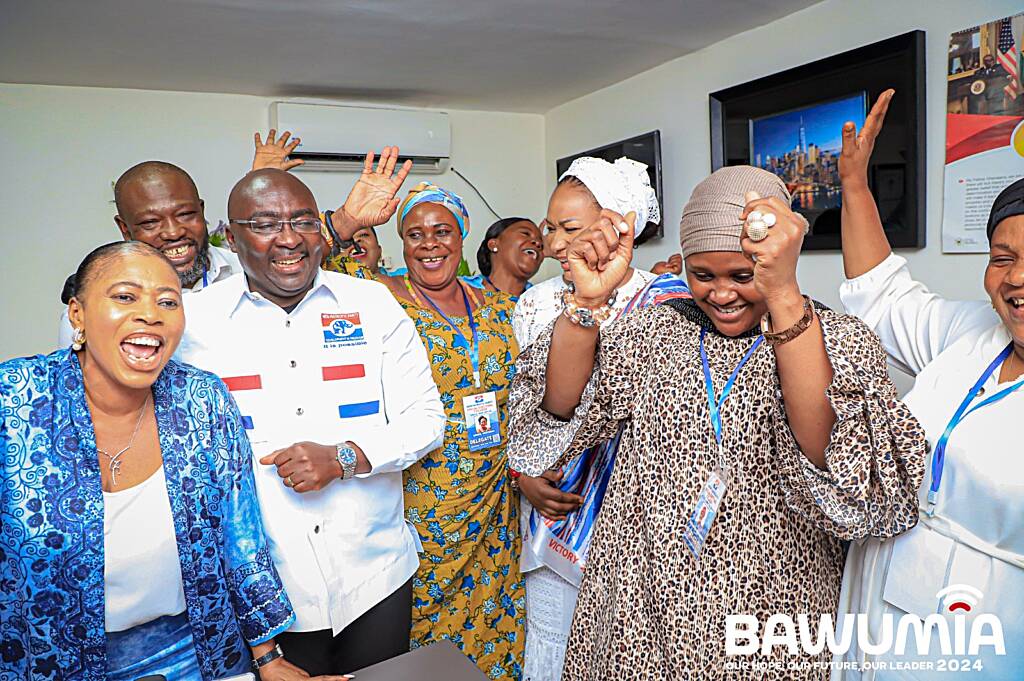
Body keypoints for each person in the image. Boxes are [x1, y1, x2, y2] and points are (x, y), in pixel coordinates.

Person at [507, 165, 927, 678]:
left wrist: (783, 296)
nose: (721, 294)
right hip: (642, 606)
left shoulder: (833, 337)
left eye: (742, 276)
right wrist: (589, 301)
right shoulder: (660, 329)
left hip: (767, 610)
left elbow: (832, 465)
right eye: (703, 275)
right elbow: (561, 409)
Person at [0, 242, 343, 681]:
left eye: (168, 301)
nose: (150, 314)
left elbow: (241, 543)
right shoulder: (14, 402)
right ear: (78, 315)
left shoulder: (203, 400)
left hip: (197, 655)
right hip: (47, 664)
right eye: (125, 297)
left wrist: (267, 659)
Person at [177, 169, 445, 676]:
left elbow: (427, 419)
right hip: (265, 594)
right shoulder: (194, 324)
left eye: (302, 220)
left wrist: (345, 457)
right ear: (231, 239)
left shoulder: (372, 305)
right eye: (265, 223)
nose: (288, 237)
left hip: (376, 577)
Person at [833, 91, 1024, 678]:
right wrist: (857, 188)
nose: (1016, 279)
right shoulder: (971, 332)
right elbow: (884, 297)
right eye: (1002, 256)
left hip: (980, 628)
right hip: (877, 591)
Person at [510, 156, 688, 681]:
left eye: (570, 228)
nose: (555, 244)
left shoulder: (667, 301)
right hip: (559, 513)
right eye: (550, 228)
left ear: (617, 225)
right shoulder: (538, 303)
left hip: (637, 518)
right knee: (555, 644)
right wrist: (526, 478)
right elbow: (529, 408)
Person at [385, 181, 525, 679]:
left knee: (497, 613)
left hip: (496, 490)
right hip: (425, 492)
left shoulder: (497, 305)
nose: (429, 243)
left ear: (462, 236)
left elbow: (527, 390)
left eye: (442, 230)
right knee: (425, 615)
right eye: (414, 233)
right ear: (401, 242)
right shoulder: (384, 300)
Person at [55, 130, 301, 346]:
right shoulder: (93, 309)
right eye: (151, 222)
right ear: (125, 229)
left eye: (185, 214)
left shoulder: (251, 272)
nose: (173, 232)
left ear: (202, 211)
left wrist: (261, 188)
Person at [475, 217, 544, 299]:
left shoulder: (544, 304)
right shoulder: (463, 289)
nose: (538, 243)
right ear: (493, 244)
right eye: (525, 233)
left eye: (541, 244)